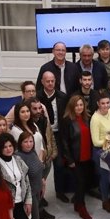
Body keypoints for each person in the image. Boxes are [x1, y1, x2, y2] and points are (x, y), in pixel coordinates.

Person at [37, 71, 69, 203]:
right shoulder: (38, 98)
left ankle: (60, 191)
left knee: (59, 164)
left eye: (52, 81)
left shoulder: (62, 96)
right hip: (43, 134)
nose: (50, 84)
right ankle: (40, 195)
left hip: (58, 133)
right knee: (42, 166)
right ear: (42, 82)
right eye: (47, 81)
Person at [60, 95, 93, 219]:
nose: (79, 107)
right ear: (71, 106)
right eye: (77, 105)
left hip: (87, 156)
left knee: (84, 182)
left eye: (81, 105)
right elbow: (64, 142)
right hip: (75, 158)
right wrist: (70, 160)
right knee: (80, 183)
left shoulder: (86, 118)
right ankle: (81, 207)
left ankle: (77, 204)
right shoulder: (67, 120)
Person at [16, 132, 46, 219]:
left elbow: (39, 168)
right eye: (25, 142)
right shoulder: (18, 157)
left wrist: (42, 183)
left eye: (30, 141)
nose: (29, 144)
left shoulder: (33, 152)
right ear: (20, 143)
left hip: (37, 190)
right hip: (29, 194)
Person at [91, 94, 110, 213]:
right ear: (98, 103)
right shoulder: (95, 119)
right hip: (102, 152)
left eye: (108, 103)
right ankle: (105, 201)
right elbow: (96, 141)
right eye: (103, 103)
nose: (106, 106)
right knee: (104, 177)